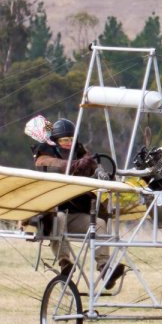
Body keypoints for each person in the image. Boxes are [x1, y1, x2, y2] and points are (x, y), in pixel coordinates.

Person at [32, 118, 124, 288]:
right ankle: (65, 263)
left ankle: (105, 268)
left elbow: (91, 166)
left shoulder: (82, 155)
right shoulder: (44, 156)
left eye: (71, 139)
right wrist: (73, 165)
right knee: (58, 218)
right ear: (56, 141)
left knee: (99, 223)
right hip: (52, 215)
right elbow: (51, 165)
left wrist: (99, 171)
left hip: (75, 214)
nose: (69, 143)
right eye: (65, 140)